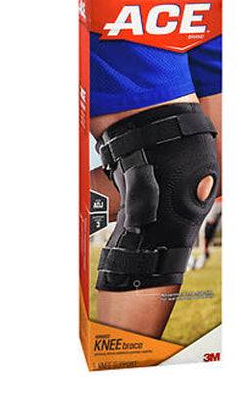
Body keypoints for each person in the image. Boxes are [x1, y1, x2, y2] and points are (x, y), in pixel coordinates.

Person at [89, 32, 222, 338]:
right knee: (177, 174)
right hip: (128, 9)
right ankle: (125, 358)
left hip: (205, 12)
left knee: (217, 168)